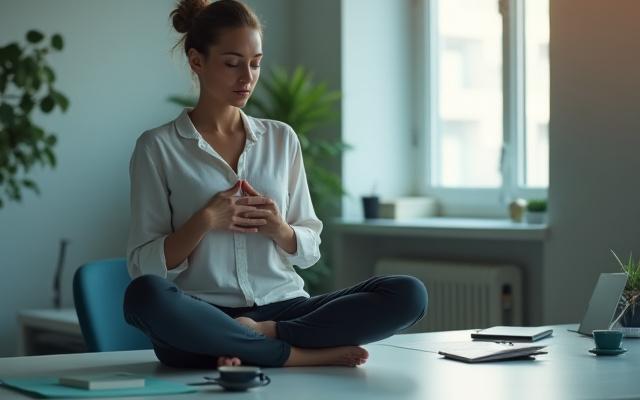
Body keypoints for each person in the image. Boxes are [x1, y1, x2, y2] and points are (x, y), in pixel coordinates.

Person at [123, 0, 427, 369]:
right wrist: (204, 221)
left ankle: (262, 337)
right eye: (233, 63)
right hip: (203, 313)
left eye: (255, 63)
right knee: (144, 296)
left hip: (284, 308)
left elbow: (309, 248)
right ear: (196, 61)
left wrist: (280, 229)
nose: (247, 77)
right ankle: (294, 356)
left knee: (408, 294)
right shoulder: (157, 147)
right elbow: (144, 265)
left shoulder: (281, 139)